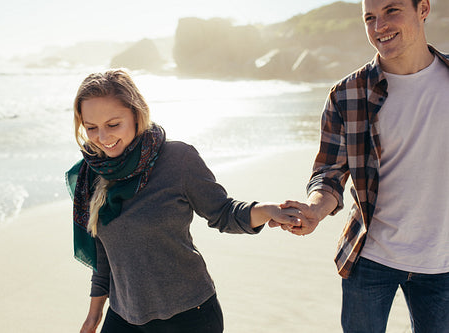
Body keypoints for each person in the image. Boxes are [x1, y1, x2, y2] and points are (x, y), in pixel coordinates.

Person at [65, 69, 301, 333]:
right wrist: (93, 316)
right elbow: (104, 255)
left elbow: (223, 212)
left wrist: (267, 210)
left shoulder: (177, 159)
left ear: (136, 114)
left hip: (189, 316)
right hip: (123, 317)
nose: (103, 138)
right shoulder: (93, 173)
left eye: (113, 124)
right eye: (91, 128)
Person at [276, 0, 449, 332]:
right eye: (370, 17)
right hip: (370, 257)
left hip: (441, 262)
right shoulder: (347, 94)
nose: (379, 25)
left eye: (392, 11)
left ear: (423, 8)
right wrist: (315, 210)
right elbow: (329, 172)